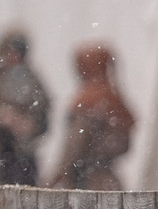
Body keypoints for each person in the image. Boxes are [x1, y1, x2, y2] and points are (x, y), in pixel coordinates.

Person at [53, 43, 135, 192]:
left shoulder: (87, 101)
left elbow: (75, 145)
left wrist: (58, 175)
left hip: (86, 183)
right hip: (108, 182)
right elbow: (124, 144)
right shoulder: (113, 99)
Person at [0, 30, 52, 187]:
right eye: (10, 52)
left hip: (22, 156)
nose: (14, 57)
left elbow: (43, 117)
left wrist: (29, 125)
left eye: (18, 53)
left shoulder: (32, 80)